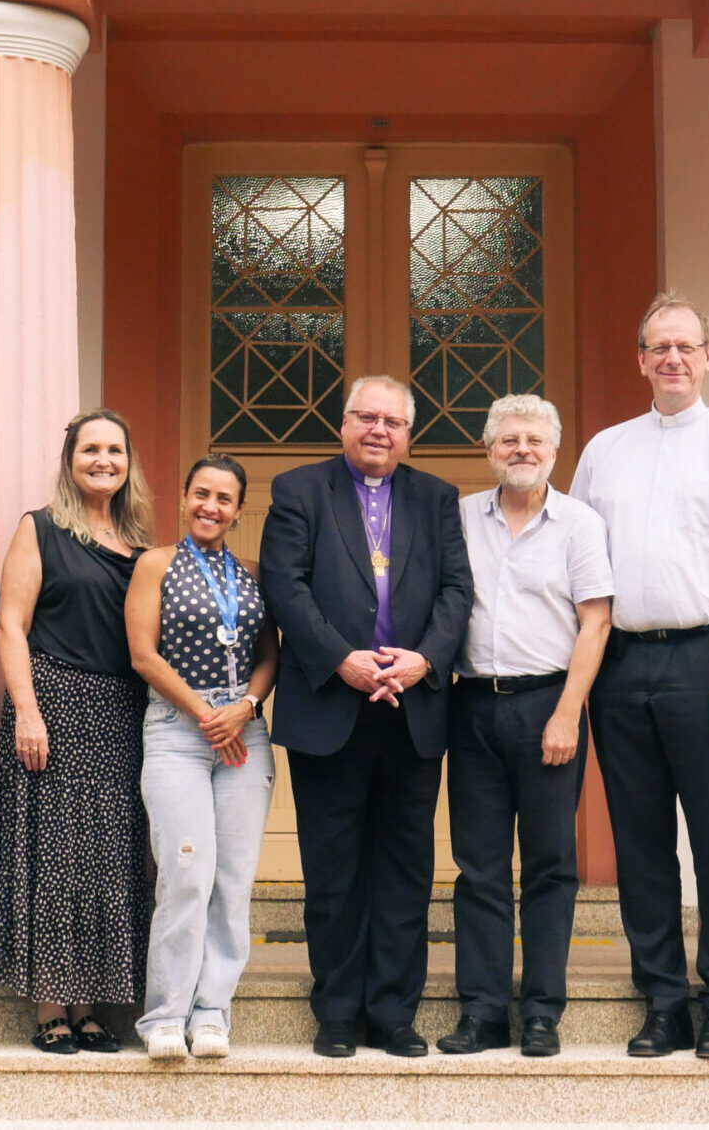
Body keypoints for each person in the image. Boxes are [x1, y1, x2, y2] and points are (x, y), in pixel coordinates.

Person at [571, 293, 709, 1060]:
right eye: (657, 346)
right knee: (639, 844)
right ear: (641, 359)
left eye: (685, 346)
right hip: (623, 663)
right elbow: (578, 563)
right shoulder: (604, 449)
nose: (671, 358)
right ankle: (663, 1000)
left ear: (707, 357)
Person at [260, 374, 473, 1059]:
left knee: (406, 868)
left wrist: (425, 660)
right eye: (366, 417)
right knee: (333, 868)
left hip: (412, 706)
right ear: (343, 422)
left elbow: (456, 589)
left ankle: (392, 1012)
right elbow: (284, 586)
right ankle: (338, 1010)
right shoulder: (299, 491)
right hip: (329, 703)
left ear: (409, 433)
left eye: (392, 421)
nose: (378, 430)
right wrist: (341, 658)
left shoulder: (438, 498)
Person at [439, 395, 613, 1059]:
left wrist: (569, 710)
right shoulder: (458, 519)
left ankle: (541, 1010)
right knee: (478, 866)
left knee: (548, 866)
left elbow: (595, 621)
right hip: (473, 705)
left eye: (534, 440)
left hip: (551, 704)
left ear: (554, 449)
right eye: (508, 439)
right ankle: (482, 1010)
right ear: (489, 450)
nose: (522, 449)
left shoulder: (580, 524)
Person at [0, 409, 154, 1055]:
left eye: (114, 449)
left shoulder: (138, 543)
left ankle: (87, 1007)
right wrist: (26, 707)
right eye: (91, 450)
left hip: (121, 712)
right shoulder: (42, 529)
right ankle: (51, 1006)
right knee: (51, 856)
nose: (103, 459)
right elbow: (12, 624)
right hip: (52, 703)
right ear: (70, 461)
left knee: (106, 858)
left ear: (128, 461)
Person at [125, 455, 279, 1060]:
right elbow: (143, 655)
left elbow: (271, 655)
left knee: (232, 881)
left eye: (224, 498)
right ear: (184, 497)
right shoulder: (154, 565)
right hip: (177, 730)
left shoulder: (253, 573)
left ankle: (213, 1012)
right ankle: (165, 1015)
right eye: (201, 494)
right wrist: (205, 714)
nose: (211, 507)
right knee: (186, 874)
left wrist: (244, 705)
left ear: (240, 510)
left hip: (243, 733)